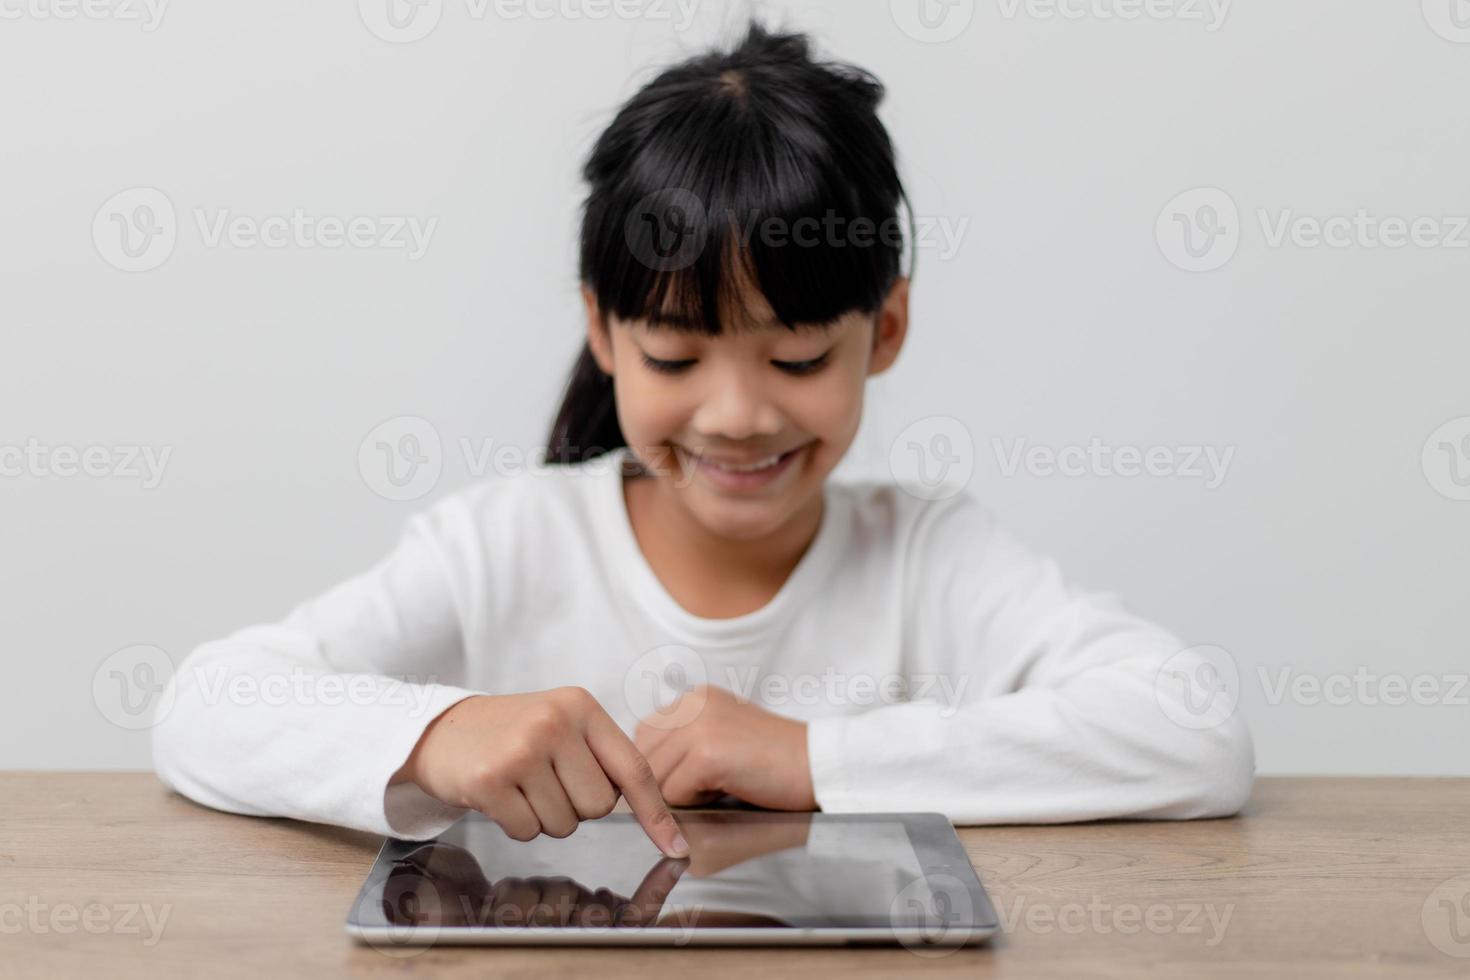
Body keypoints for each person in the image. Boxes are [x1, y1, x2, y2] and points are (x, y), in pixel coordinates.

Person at [152, 22, 1253, 859]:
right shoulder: (499, 546)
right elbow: (207, 702)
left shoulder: (931, 558)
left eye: (799, 358)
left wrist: (813, 757)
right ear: (603, 330)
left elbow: (1194, 730)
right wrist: (439, 734)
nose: (736, 414)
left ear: (890, 329)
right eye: (677, 359)